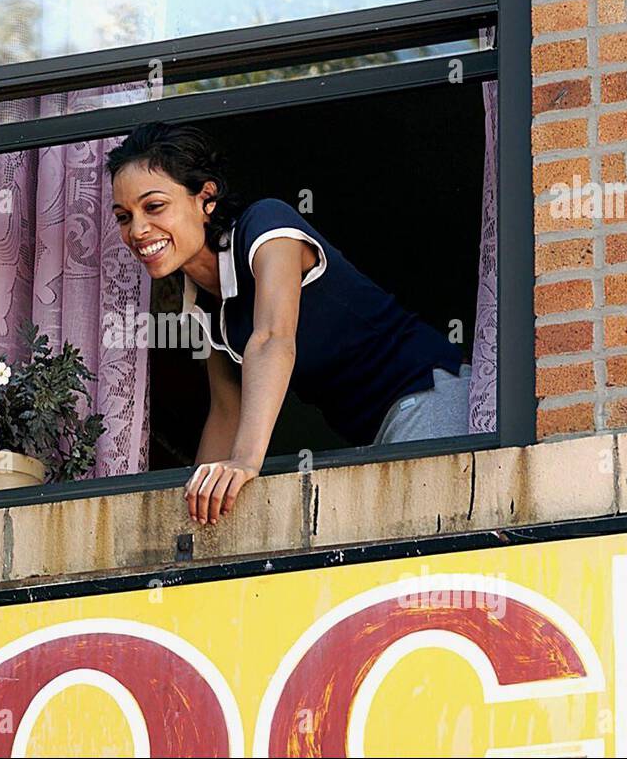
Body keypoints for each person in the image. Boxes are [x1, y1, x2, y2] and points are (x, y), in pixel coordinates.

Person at [107, 122, 469, 526]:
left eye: (153, 207)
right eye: (124, 216)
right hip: (379, 432)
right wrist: (191, 520)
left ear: (206, 198)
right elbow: (227, 410)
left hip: (429, 394)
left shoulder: (266, 226)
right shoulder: (204, 302)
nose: (137, 230)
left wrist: (245, 462)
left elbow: (273, 338)